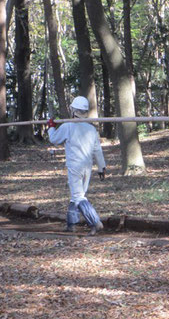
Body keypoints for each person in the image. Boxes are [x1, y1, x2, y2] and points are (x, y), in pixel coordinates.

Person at [47, 96, 106, 236]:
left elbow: (54, 139)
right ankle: (71, 224)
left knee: (78, 196)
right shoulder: (92, 129)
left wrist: (51, 127)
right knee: (77, 195)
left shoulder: (68, 126)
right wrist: (101, 167)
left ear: (73, 110)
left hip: (75, 166)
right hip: (87, 167)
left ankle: (95, 222)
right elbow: (97, 150)